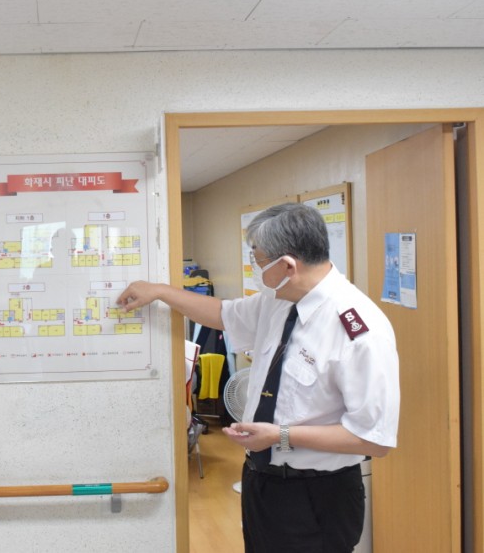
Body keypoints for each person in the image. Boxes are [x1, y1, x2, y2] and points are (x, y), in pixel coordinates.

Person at [117, 202, 399, 553]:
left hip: (317, 495)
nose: (254, 267)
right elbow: (223, 314)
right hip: (261, 481)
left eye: (258, 259)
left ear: (288, 266)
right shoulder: (279, 299)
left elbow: (373, 439)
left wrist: (280, 435)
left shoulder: (358, 330)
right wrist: (160, 291)